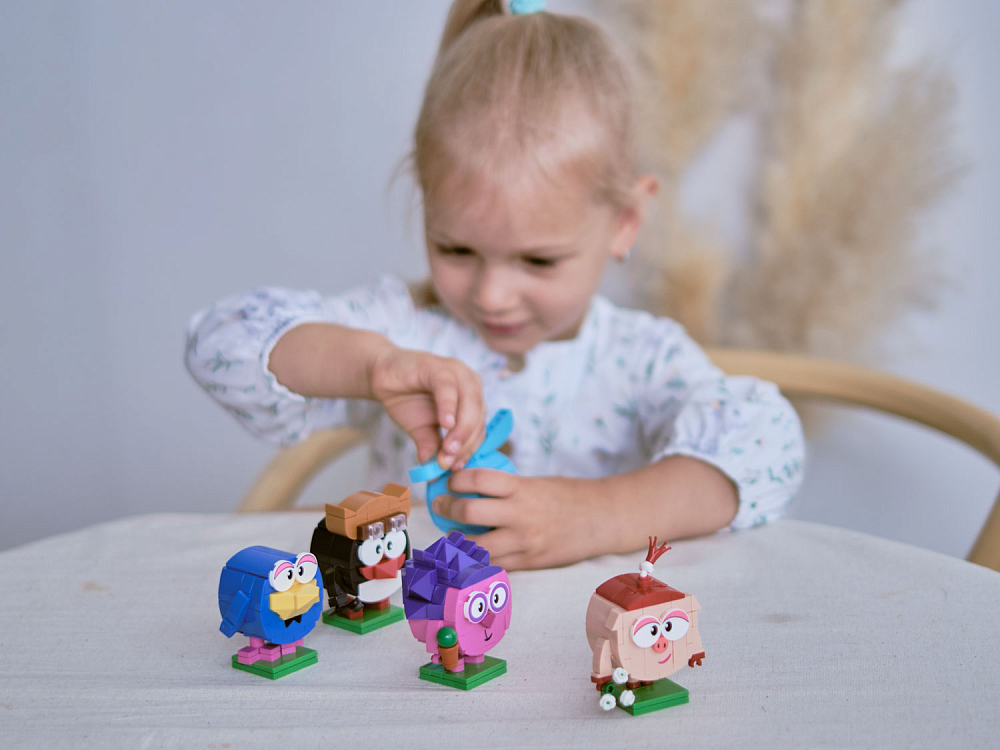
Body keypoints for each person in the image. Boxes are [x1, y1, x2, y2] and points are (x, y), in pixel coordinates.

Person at [186, 0, 804, 570]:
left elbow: (768, 446)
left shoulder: (641, 359)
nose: (491, 296)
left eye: (538, 260)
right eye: (456, 249)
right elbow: (220, 343)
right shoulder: (401, 332)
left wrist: (597, 515)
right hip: (419, 643)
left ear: (624, 222)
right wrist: (372, 366)